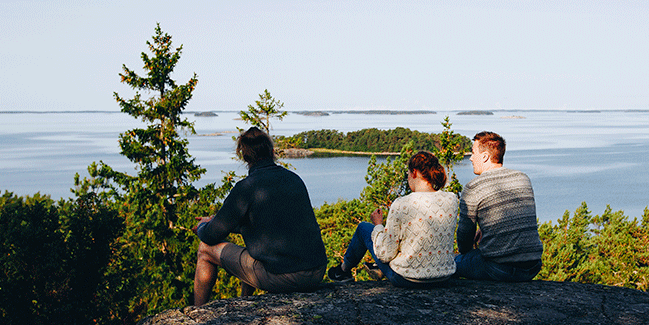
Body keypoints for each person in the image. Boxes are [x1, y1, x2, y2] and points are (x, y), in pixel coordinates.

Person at [193, 127, 326, 306]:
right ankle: (246, 306)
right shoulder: (294, 179)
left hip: (285, 278)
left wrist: (203, 226)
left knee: (205, 250)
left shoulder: (246, 188)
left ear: (245, 158)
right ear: (272, 152)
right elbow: (267, 226)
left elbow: (211, 236)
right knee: (249, 253)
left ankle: (198, 315)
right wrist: (218, 222)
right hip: (316, 272)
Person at [328, 151, 457, 288]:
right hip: (444, 276)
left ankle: (342, 272)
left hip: (407, 279)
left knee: (363, 229)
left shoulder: (402, 203)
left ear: (414, 173)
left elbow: (385, 254)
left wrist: (378, 225)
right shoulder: (451, 199)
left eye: (408, 174)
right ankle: (375, 269)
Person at [454, 131, 543, 281]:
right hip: (532, 267)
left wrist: (467, 255)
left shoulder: (474, 187)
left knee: (451, 263)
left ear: (485, 157)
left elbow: (464, 240)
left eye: (473, 153)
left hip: (499, 269)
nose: (470, 158)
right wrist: (486, 229)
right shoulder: (522, 178)